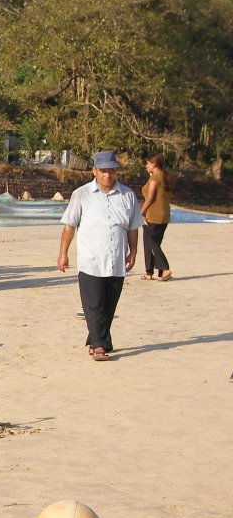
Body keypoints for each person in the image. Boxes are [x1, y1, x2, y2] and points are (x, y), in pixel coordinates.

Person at [57, 150, 143, 361]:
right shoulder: (81, 194)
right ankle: (99, 346)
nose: (107, 175)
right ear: (94, 171)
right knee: (94, 304)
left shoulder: (127, 195)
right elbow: (69, 226)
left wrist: (133, 252)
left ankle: (96, 338)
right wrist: (63, 254)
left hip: (117, 260)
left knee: (108, 305)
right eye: (103, 171)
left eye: (111, 171)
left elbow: (133, 227)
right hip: (90, 260)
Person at [140, 153, 174, 281]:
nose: (146, 166)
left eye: (147, 163)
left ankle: (165, 269)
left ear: (153, 164)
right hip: (164, 215)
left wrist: (141, 212)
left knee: (151, 243)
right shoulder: (164, 176)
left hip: (153, 215)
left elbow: (150, 197)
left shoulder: (155, 178)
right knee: (154, 243)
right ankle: (151, 272)